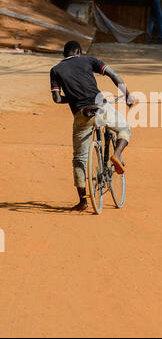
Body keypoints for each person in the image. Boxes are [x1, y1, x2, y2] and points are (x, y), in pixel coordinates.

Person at [50, 41, 135, 211]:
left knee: (79, 159)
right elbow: (114, 75)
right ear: (79, 52)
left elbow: (57, 98)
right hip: (101, 107)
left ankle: (83, 201)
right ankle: (116, 154)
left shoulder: (55, 70)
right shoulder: (89, 60)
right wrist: (127, 96)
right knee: (124, 129)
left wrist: (73, 99)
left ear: (64, 55)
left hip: (82, 114)